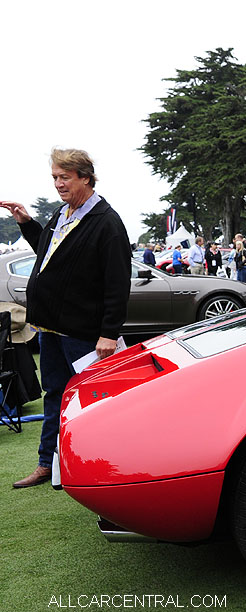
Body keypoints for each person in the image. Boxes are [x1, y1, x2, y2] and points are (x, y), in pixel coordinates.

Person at [1, 148, 131, 488]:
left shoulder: (107, 222)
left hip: (82, 331)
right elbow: (50, 253)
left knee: (93, 400)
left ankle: (106, 465)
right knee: (54, 393)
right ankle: (49, 462)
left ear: (85, 178)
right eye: (55, 177)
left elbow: (117, 284)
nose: (58, 184)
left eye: (65, 177)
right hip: (50, 327)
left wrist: (108, 333)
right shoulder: (63, 213)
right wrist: (28, 224)